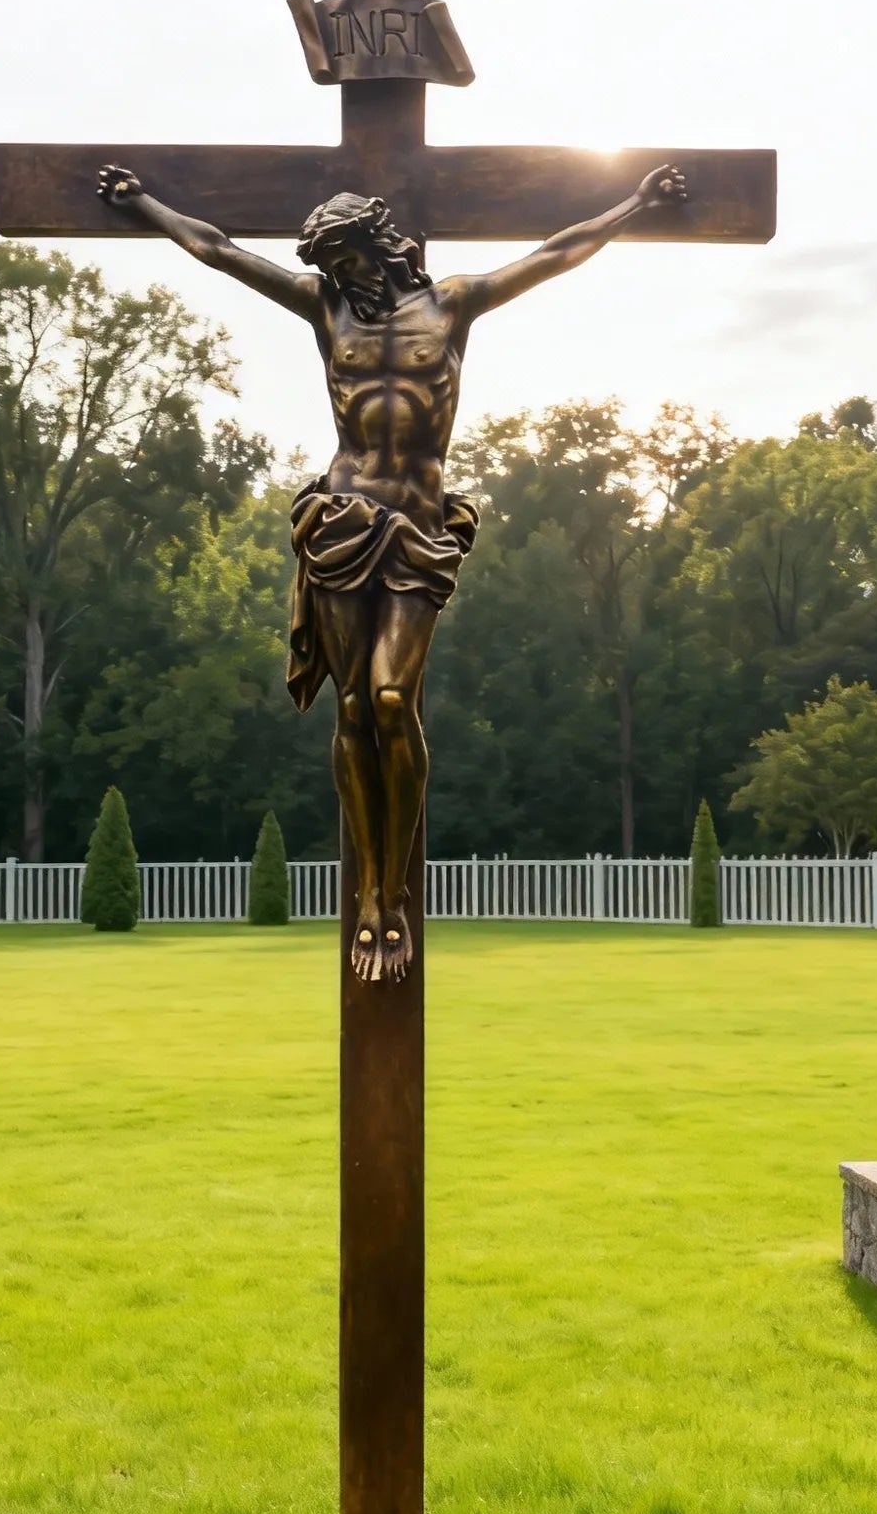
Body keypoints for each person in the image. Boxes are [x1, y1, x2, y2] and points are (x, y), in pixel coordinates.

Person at [96, 160, 688, 981]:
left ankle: (392, 887)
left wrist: (635, 203)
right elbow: (220, 251)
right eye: (331, 268)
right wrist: (145, 204)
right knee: (348, 706)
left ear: (381, 247)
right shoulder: (325, 308)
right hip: (341, 520)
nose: (341, 278)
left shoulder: (451, 304)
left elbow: (555, 252)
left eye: (349, 261)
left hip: (416, 524)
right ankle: (369, 902)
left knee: (388, 697)